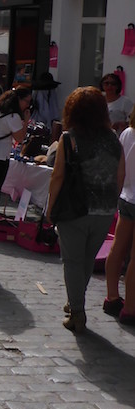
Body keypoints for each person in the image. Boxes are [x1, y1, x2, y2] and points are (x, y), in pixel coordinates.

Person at [47, 86, 124, 333]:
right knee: (87, 259)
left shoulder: (68, 139)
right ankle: (75, 300)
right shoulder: (113, 138)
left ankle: (77, 312)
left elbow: (57, 177)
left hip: (74, 209)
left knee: (71, 260)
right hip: (104, 209)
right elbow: (119, 175)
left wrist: (50, 208)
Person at [103, 104, 135, 324]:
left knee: (117, 249)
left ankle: (112, 297)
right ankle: (131, 309)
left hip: (126, 195)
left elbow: (120, 167)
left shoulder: (127, 132)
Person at [0, 86, 32, 221]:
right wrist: (26, 121)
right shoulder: (14, 116)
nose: (28, 105)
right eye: (26, 101)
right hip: (1, 156)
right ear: (18, 99)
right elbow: (20, 138)